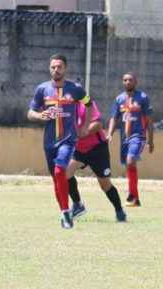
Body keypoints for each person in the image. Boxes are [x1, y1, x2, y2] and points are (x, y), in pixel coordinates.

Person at [27, 54, 94, 229]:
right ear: (50, 69)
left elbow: (89, 104)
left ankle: (66, 214)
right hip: (49, 142)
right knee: (56, 179)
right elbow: (30, 112)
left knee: (59, 171)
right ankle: (65, 211)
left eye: (59, 67)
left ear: (65, 69)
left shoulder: (76, 89)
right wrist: (41, 115)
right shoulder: (42, 89)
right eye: (53, 67)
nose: (56, 70)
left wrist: (85, 126)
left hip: (68, 140)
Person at [64, 99, 127, 222]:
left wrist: (81, 133)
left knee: (105, 184)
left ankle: (119, 211)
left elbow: (98, 124)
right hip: (79, 150)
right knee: (66, 173)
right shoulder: (64, 109)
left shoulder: (87, 105)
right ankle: (77, 205)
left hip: (97, 149)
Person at [106, 72, 154, 207]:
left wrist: (151, 140)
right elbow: (114, 118)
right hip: (125, 138)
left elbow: (149, 120)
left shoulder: (143, 98)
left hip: (138, 136)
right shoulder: (119, 99)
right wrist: (109, 133)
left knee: (130, 160)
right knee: (129, 165)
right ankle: (135, 198)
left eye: (130, 80)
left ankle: (132, 196)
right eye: (125, 80)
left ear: (136, 82)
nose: (127, 82)